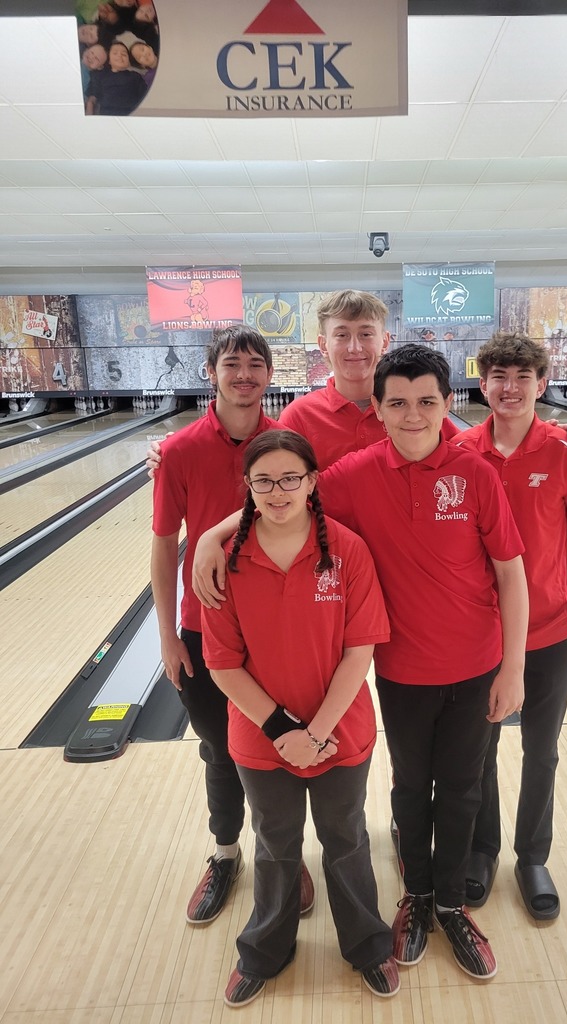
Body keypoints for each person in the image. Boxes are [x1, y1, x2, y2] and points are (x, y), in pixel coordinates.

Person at [193, 345, 529, 981]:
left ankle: (451, 905)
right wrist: (214, 536)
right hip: (400, 669)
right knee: (408, 790)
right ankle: (414, 898)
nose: (412, 415)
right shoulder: (352, 473)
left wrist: (512, 669)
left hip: (475, 663)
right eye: (397, 403)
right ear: (376, 408)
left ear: (448, 403)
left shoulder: (475, 471)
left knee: (462, 790)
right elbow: (282, 492)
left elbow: (511, 575)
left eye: (427, 401)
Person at [201, 430, 398, 1005]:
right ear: (248, 488)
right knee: (275, 843)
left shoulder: (348, 550)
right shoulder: (228, 561)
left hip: (340, 735)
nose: (278, 490)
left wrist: (315, 733)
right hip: (263, 742)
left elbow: (360, 650)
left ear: (313, 482)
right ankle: (266, 950)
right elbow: (222, 664)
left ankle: (367, 945)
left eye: (292, 477)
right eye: (264, 480)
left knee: (346, 840)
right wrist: (285, 732)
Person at [150, 324, 315, 928]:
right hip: (204, 629)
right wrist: (167, 635)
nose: (244, 375)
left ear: (270, 375)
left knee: (282, 746)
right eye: (232, 364)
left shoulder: (291, 445)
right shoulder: (179, 450)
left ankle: (286, 854)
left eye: (255, 365)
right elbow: (165, 546)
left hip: (279, 626)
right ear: (211, 371)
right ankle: (225, 853)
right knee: (220, 750)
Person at [454, 332, 567, 919]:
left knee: (542, 749)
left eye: (522, 377)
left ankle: (532, 855)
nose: (509, 388)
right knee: (479, 748)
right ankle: (481, 851)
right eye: (498, 376)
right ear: (482, 384)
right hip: (483, 634)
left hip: (552, 629)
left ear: (542, 384)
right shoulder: (461, 451)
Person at [279, 290, 458, 471]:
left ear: (385, 341)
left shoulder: (422, 414)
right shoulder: (298, 418)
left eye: (366, 334)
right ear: (323, 345)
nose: (354, 348)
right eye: (342, 335)